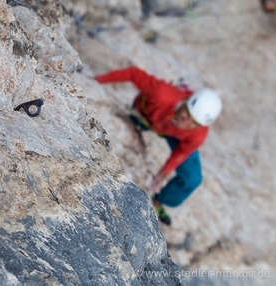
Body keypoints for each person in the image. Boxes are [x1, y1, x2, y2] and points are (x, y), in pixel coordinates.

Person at [94, 66, 222, 225]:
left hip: (172, 132)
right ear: (186, 103)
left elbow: (181, 152)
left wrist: (162, 175)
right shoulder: (162, 94)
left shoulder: (197, 133)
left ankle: (160, 199)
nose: (186, 122)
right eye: (187, 114)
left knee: (193, 178)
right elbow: (133, 73)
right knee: (135, 125)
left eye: (193, 123)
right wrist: (98, 80)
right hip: (145, 116)